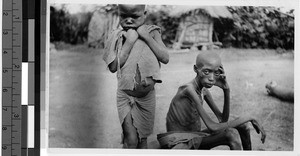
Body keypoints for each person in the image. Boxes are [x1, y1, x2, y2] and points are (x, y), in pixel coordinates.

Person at [157, 51, 266, 150]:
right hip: (178, 141)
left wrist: (226, 90)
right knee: (231, 134)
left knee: (243, 126)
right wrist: (249, 117)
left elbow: (222, 120)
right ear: (196, 69)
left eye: (216, 73)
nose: (212, 78)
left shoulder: (203, 91)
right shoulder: (188, 90)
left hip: (195, 136)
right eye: (207, 72)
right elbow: (213, 127)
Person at [103, 4, 169, 149]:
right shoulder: (116, 35)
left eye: (134, 16)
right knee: (132, 140)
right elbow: (113, 67)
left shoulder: (152, 32)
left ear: (144, 14)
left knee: (143, 140)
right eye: (124, 16)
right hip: (125, 96)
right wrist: (129, 42)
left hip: (147, 98)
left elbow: (165, 58)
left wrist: (146, 37)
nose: (128, 20)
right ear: (119, 14)